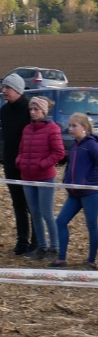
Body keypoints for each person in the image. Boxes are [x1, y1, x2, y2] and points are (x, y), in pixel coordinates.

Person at [17, 95, 66, 260]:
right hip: (27, 177)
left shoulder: (53, 129)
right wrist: (20, 161)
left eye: (36, 109)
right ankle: (42, 247)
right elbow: (22, 149)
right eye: (31, 109)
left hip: (45, 177)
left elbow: (59, 153)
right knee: (35, 214)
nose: (32, 112)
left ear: (44, 111)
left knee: (47, 214)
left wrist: (42, 164)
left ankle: (55, 247)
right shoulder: (27, 129)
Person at [0, 72, 35, 255]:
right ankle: (22, 241)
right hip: (10, 163)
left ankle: (37, 242)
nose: (4, 90)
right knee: (18, 204)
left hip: (28, 165)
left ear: (18, 90)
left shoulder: (29, 109)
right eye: (3, 87)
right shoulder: (4, 111)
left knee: (32, 205)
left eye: (8, 87)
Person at [53, 112, 98, 269]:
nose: (70, 128)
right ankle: (61, 258)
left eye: (74, 126)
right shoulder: (74, 146)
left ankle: (91, 260)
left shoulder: (92, 145)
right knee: (60, 221)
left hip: (89, 193)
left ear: (84, 127)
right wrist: (66, 180)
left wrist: (89, 182)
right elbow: (69, 166)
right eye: (69, 125)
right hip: (74, 193)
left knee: (91, 225)